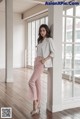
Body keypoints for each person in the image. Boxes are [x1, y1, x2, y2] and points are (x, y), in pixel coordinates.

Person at [28, 24, 55, 116]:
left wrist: (45, 59)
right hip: (36, 61)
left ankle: (35, 102)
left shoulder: (49, 40)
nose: (42, 32)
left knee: (31, 81)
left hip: (42, 62)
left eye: (44, 30)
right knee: (37, 84)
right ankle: (37, 108)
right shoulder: (40, 40)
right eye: (41, 31)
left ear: (47, 31)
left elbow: (53, 52)